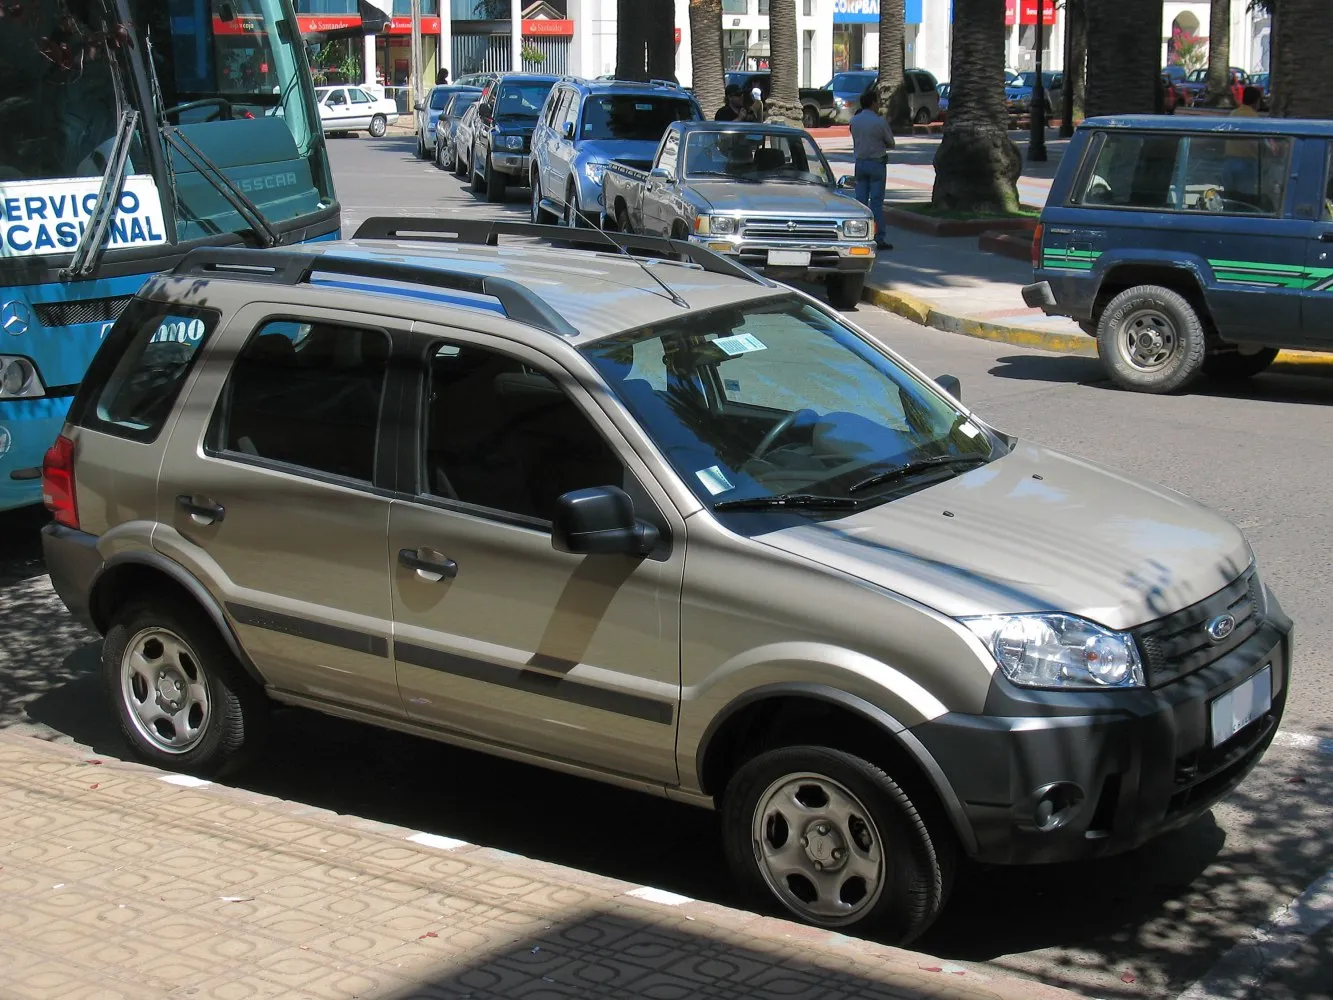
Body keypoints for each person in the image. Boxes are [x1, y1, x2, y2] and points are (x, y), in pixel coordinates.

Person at [849, 87, 894, 251]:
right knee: (876, 202)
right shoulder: (879, 122)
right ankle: (878, 237)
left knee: (861, 201)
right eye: (877, 102)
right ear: (873, 103)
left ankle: (858, 234)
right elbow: (891, 142)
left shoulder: (854, 121)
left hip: (860, 163)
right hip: (877, 163)